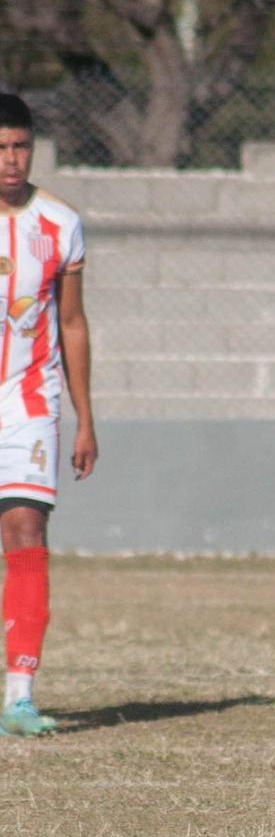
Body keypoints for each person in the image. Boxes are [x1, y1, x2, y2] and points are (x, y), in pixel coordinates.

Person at [0, 93, 96, 738]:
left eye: (21, 146)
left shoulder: (61, 223)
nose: (11, 160)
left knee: (26, 531)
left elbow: (72, 322)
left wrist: (85, 418)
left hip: (30, 403)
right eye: (1, 148)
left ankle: (20, 698)